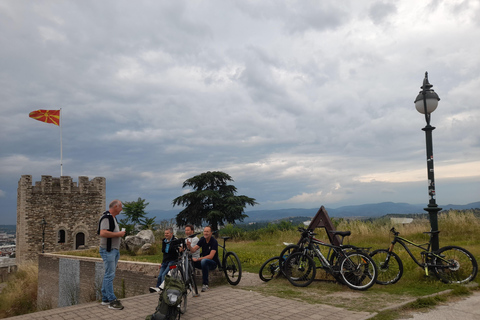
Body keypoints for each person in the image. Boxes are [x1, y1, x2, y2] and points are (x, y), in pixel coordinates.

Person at [98, 199, 126, 310]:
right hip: (108, 250)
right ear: (115, 207)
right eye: (120, 207)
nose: (121, 209)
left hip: (113, 250)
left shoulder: (112, 218)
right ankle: (112, 300)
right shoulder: (107, 217)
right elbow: (103, 233)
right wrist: (118, 234)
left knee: (109, 274)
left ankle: (105, 298)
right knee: (110, 275)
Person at [188, 226, 219, 292]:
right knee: (190, 261)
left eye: (207, 231)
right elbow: (193, 250)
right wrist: (189, 246)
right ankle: (191, 283)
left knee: (204, 261)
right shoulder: (202, 240)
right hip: (203, 262)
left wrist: (198, 259)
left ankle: (205, 284)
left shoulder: (214, 241)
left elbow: (210, 256)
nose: (205, 233)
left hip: (212, 263)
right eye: (204, 231)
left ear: (211, 233)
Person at [150, 227, 178, 292]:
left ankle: (164, 290)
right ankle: (157, 288)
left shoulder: (175, 241)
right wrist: (162, 263)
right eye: (165, 233)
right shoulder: (164, 241)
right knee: (159, 276)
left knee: (164, 275)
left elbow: (175, 252)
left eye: (167, 233)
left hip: (172, 262)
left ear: (171, 233)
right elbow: (164, 254)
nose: (166, 235)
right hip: (165, 261)